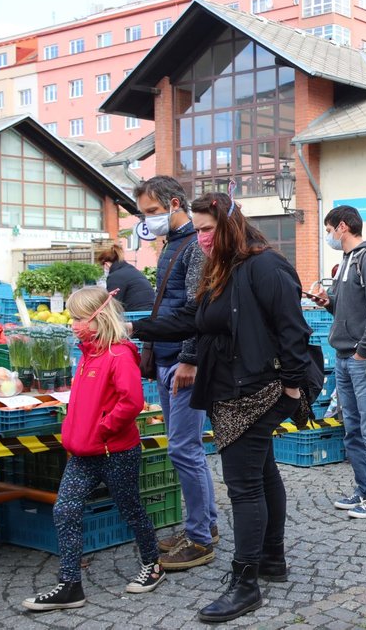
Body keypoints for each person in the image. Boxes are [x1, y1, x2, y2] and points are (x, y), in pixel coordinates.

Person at [130, 191, 312, 622]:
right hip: (230, 390)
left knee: (244, 486)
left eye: (208, 229)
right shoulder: (222, 268)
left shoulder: (267, 266)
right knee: (263, 474)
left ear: (230, 223)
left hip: (258, 392)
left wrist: (290, 390)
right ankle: (271, 559)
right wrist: (131, 327)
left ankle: (245, 583)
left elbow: (294, 331)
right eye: (197, 230)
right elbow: (191, 320)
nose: (202, 238)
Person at [23, 287, 164, 611]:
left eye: (78, 318)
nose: (73, 324)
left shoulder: (119, 354)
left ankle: (153, 564)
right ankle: (70, 584)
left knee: (130, 509)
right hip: (84, 452)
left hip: (115, 452)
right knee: (65, 510)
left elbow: (132, 402)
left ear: (98, 318)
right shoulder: (88, 353)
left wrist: (102, 429)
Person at [133, 176, 219, 570]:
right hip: (168, 357)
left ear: (172, 203)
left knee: (185, 449)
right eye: (144, 214)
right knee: (185, 448)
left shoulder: (193, 246)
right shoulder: (172, 244)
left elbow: (196, 308)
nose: (148, 220)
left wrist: (189, 358)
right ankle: (204, 526)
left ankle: (200, 538)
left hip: (183, 361)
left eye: (152, 212)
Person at [317, 205, 366, 519]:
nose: (329, 237)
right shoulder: (347, 260)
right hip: (345, 357)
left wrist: (364, 351)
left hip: (363, 359)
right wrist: (327, 302)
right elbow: (348, 310)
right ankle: (364, 491)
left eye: (329, 230)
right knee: (353, 430)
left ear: (343, 227)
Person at [96, 242, 155, 312]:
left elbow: (112, 305)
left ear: (106, 264)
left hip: (134, 315)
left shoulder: (115, 276)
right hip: (148, 313)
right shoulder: (130, 269)